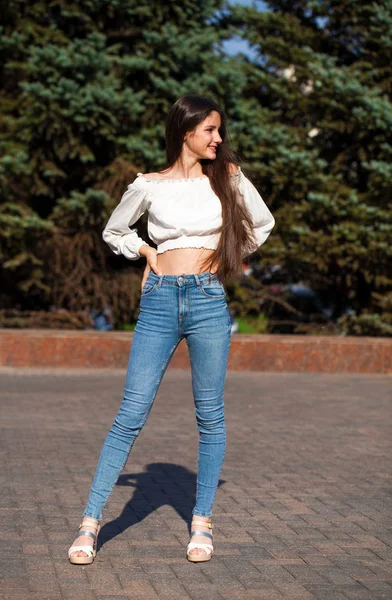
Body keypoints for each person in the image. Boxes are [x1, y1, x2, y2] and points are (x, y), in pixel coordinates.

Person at [67, 94, 275, 564]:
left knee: (210, 414)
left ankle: (201, 522)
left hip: (206, 299)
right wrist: (147, 253)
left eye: (219, 131)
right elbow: (115, 231)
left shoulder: (228, 179)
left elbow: (261, 225)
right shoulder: (150, 185)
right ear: (186, 133)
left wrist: (227, 257)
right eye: (210, 131)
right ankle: (89, 524)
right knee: (131, 412)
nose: (218, 139)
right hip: (160, 300)